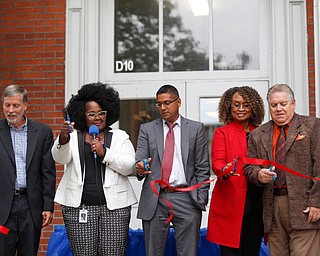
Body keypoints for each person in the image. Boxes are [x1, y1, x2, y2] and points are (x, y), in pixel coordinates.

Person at [52, 82, 137, 256]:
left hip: (115, 209)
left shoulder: (120, 136)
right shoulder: (73, 136)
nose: (97, 118)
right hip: (79, 208)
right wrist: (63, 138)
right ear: (83, 116)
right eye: (91, 114)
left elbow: (129, 167)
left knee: (112, 253)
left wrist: (104, 152)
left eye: (101, 113)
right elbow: (59, 157)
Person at [244, 83, 320, 256]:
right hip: (272, 205)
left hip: (306, 206)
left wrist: (316, 202)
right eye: (274, 105)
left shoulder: (312, 126)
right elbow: (249, 167)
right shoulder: (258, 134)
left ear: (293, 103)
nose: (278, 109)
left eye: (283, 104)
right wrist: (257, 174)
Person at [135, 84, 210, 256]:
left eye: (167, 102)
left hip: (187, 198)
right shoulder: (147, 129)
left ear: (179, 102)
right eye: (159, 104)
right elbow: (139, 160)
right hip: (156, 198)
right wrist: (140, 167)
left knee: (188, 253)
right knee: (153, 253)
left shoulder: (195, 129)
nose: (162, 107)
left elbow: (202, 167)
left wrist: (200, 197)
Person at [206, 86, 265, 256]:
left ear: (253, 107)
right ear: (228, 107)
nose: (240, 109)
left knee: (251, 250)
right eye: (236, 105)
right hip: (230, 202)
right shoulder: (222, 133)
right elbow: (217, 162)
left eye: (246, 105)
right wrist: (223, 170)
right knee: (230, 252)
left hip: (256, 201)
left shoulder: (261, 132)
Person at [0, 84, 56, 256]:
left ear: (25, 106)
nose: (10, 110)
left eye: (15, 105)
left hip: (31, 207)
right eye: (6, 105)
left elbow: (48, 172)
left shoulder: (42, 132)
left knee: (29, 251)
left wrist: (48, 206)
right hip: (3, 209)